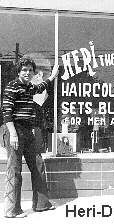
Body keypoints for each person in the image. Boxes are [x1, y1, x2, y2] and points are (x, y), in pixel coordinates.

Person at [0, 56, 59, 218]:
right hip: (13, 129)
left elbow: (41, 87)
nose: (27, 73)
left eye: (30, 70)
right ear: (19, 71)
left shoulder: (30, 88)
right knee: (15, 169)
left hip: (27, 130)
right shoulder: (12, 87)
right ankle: (12, 210)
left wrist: (52, 76)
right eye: (24, 70)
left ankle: (41, 204)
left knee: (38, 164)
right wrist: (12, 133)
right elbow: (6, 112)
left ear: (33, 72)